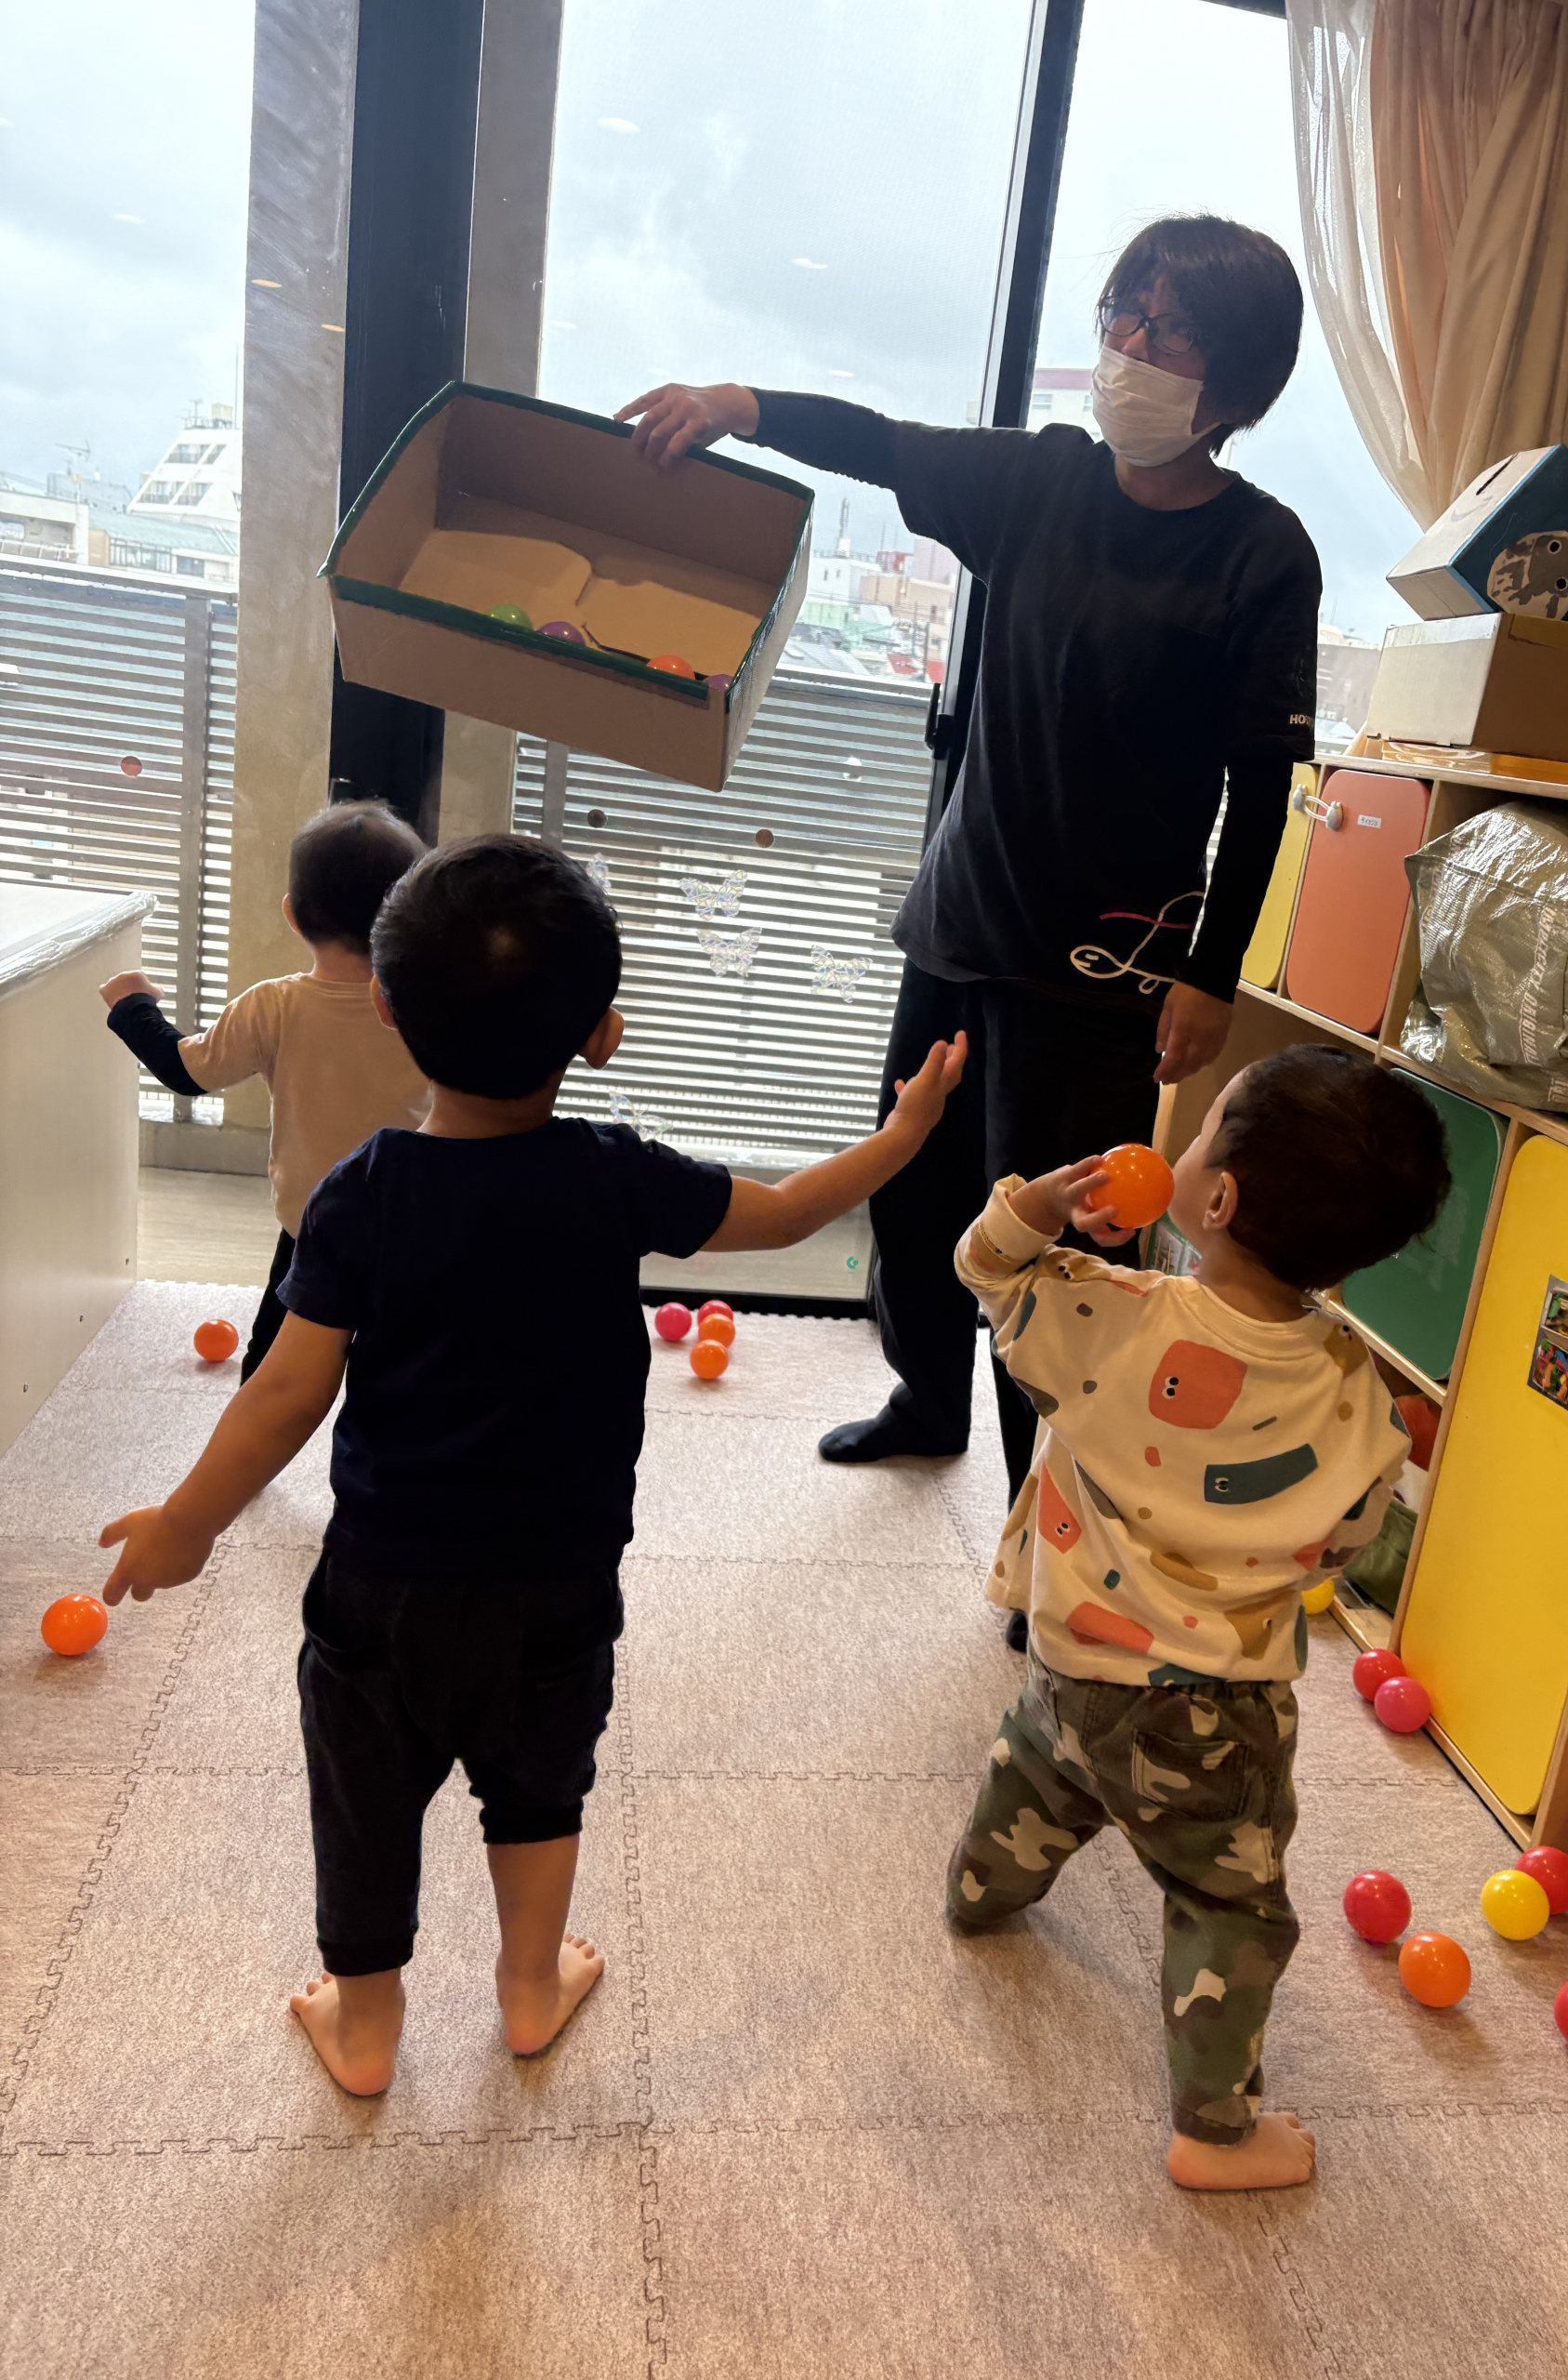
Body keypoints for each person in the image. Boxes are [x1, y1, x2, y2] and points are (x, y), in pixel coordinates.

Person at [96, 835, 967, 2097]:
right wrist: (904, 1133)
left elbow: (285, 1388)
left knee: (364, 1800)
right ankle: (526, 1987)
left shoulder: (362, 1193)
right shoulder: (617, 1177)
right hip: (558, 1580)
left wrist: (187, 1522)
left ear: (387, 1008)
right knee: (540, 1788)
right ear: (601, 1034)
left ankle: (365, 2022)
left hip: (383, 1584)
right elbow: (787, 1212)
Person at [619, 214, 1320, 1528]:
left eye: (1168, 325)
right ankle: (925, 1399)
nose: (1128, 343)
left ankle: (1043, 1517)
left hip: (1107, 971)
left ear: (1236, 379)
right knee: (919, 1185)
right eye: (1121, 310)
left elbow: (1263, 785)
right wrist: (738, 405)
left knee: (1058, 1255)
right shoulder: (1039, 481)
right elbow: (882, 444)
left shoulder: (1262, 554)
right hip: (960, 924)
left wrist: (1210, 972)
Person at [943, 1046, 1450, 2189]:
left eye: (1207, 1120)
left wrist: (1040, 1204)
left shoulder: (1105, 1312)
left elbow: (982, 1263)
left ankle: (979, 1894)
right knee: (1230, 1905)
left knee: (1039, 1771)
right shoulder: (1356, 1391)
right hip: (1217, 1712)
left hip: (1072, 1660)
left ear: (1214, 1198)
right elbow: (1341, 1545)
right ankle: (1216, 2128)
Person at [101, 800, 429, 1378]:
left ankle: (255, 1429)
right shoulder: (435, 1006)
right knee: (405, 1370)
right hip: (413, 1226)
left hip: (312, 1226)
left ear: (293, 915)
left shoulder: (272, 1006)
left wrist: (133, 1005)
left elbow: (186, 1071)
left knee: (274, 1370)